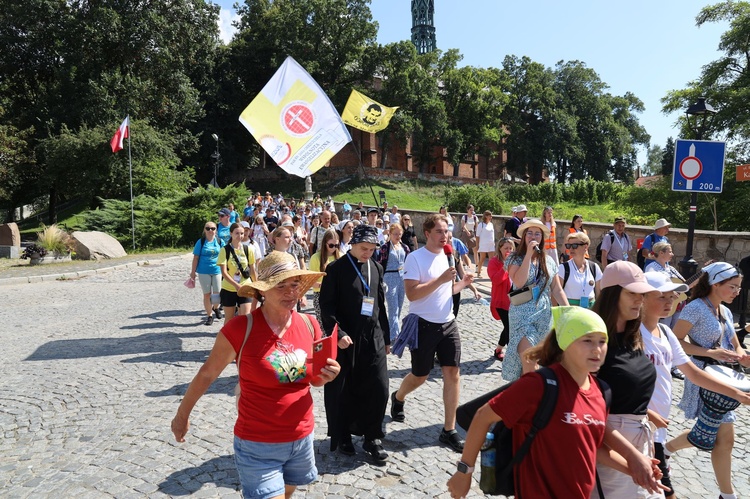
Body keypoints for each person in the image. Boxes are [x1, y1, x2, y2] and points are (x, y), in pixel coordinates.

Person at [170, 251, 340, 499]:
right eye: (280, 286)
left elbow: (311, 380)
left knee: (287, 493)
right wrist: (181, 416)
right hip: (258, 444)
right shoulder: (240, 329)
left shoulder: (309, 324)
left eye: (294, 285)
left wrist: (325, 376)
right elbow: (206, 375)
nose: (290, 292)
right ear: (262, 291)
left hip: (302, 437)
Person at [447, 306, 664, 499]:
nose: (597, 349)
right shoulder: (539, 385)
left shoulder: (601, 392)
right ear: (566, 344)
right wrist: (464, 472)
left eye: (602, 341)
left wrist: (635, 469)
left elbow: (591, 448)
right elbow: (482, 416)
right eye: (587, 340)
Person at [641, 271, 750, 499]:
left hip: (661, 423)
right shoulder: (630, 335)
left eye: (673, 296)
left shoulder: (665, 332)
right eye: (663, 296)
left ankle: (671, 451)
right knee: (715, 438)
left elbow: (695, 370)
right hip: (638, 422)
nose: (671, 301)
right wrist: (644, 412)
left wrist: (738, 392)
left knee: (713, 437)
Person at [390, 214, 474, 452]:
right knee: (420, 375)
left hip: (448, 323)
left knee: (453, 373)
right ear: (427, 233)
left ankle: (449, 429)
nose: (444, 236)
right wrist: (440, 280)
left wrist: (462, 284)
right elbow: (413, 295)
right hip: (423, 325)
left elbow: (448, 291)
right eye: (439, 231)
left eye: (446, 231)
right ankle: (398, 397)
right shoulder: (415, 258)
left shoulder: (449, 255)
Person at [591, 261, 663, 499]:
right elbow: (586, 414)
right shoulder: (592, 341)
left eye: (642, 294)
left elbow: (622, 383)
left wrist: (643, 411)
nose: (639, 300)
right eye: (632, 293)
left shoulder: (633, 335)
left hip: (639, 444)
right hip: (608, 451)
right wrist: (631, 458)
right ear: (612, 294)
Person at [319, 225, 391, 462]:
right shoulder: (336, 269)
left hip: (374, 338)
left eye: (371, 249)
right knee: (345, 390)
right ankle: (344, 435)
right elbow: (326, 307)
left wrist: (387, 338)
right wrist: (338, 333)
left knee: (379, 388)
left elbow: (379, 305)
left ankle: (372, 437)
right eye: (363, 248)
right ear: (352, 244)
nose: (367, 253)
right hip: (346, 341)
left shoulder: (377, 267)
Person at [503, 219, 569, 382]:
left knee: (539, 363)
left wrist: (567, 309)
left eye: (537, 233)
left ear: (542, 237)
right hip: (522, 318)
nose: (533, 236)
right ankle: (531, 399)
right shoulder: (514, 259)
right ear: (524, 236)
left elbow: (556, 288)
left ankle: (528, 396)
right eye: (530, 233)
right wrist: (528, 256)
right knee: (530, 362)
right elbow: (519, 282)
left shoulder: (549, 261)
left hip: (544, 316)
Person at [376, 223, 411, 341]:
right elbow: (380, 264)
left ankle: (393, 331)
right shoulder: (385, 248)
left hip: (402, 278)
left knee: (399, 306)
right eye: (395, 234)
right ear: (390, 234)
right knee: (393, 308)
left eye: (399, 234)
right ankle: (394, 335)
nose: (397, 236)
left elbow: (409, 263)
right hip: (389, 277)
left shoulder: (405, 247)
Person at [218, 223, 257, 323]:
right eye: (237, 233)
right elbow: (223, 272)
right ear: (231, 233)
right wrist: (235, 285)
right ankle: (227, 337)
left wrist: (257, 285)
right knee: (229, 318)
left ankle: (243, 338)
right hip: (229, 288)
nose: (240, 236)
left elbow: (252, 270)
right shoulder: (224, 250)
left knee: (245, 317)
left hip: (245, 286)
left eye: (242, 233)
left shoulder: (248, 249)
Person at [190, 221, 223, 325]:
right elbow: (196, 257)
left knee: (217, 293)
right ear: (204, 230)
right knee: (207, 294)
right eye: (208, 228)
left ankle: (216, 307)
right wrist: (192, 272)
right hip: (204, 271)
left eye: (213, 228)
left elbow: (225, 256)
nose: (210, 230)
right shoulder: (201, 242)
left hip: (217, 270)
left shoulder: (219, 241)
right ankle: (209, 315)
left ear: (216, 230)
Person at [558, 232, 601, 309]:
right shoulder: (563, 268)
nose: (571, 249)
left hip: (590, 312)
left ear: (585, 247)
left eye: (575, 246)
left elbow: (599, 294)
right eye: (569, 246)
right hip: (570, 312)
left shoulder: (594, 267)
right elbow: (555, 294)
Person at [488, 237, 514, 360]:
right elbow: (496, 280)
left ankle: (498, 349)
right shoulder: (494, 262)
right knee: (510, 327)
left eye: (510, 248)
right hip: (500, 301)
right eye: (506, 248)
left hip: (514, 299)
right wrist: (505, 266)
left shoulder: (515, 261)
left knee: (509, 326)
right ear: (500, 248)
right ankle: (513, 357)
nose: (508, 250)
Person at [309, 230, 341, 324]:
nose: (334, 248)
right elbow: (312, 282)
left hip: (338, 295)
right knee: (323, 325)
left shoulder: (341, 256)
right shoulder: (316, 258)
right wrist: (327, 285)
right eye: (331, 245)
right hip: (320, 295)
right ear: (325, 243)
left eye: (336, 245)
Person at [475, 210, 495, 278]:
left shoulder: (491, 224)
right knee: (482, 258)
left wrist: (493, 242)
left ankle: (491, 273)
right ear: (486, 216)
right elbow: (477, 235)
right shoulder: (481, 225)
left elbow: (492, 234)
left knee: (491, 259)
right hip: (483, 244)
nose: (491, 217)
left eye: (491, 216)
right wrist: (477, 245)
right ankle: (479, 272)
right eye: (489, 216)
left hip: (491, 244)